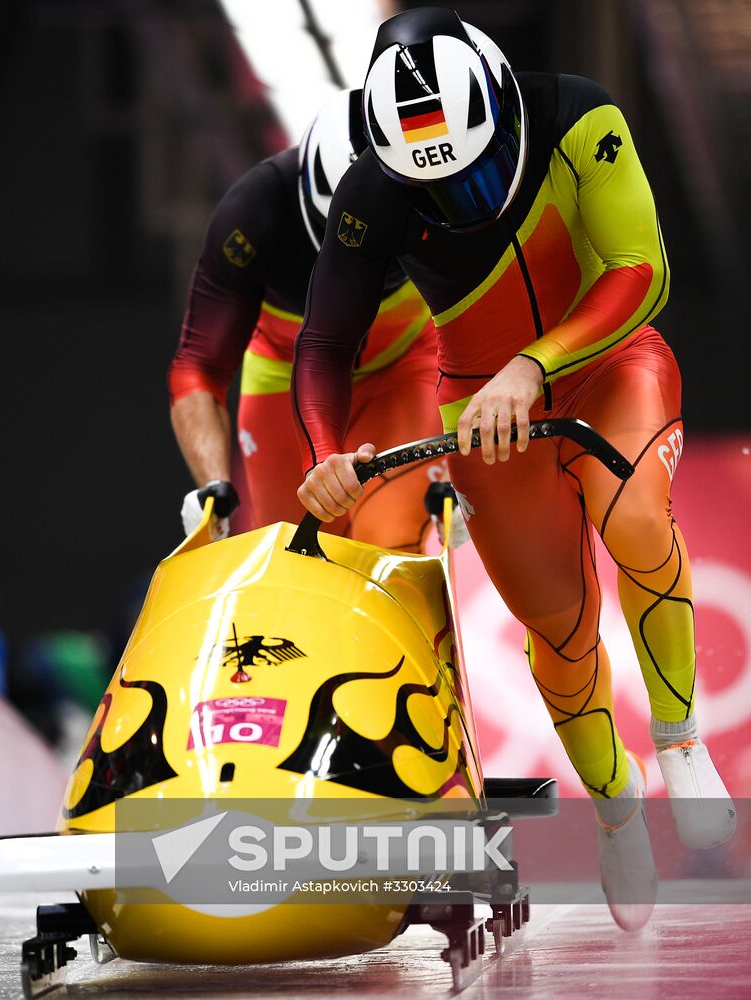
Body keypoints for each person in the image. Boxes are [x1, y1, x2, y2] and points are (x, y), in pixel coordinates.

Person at [292, 7, 735, 929]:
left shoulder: (581, 118)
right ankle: (616, 805)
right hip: (482, 408)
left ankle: (680, 732)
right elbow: (324, 344)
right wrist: (328, 451)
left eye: (479, 173)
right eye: (438, 192)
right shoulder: (372, 192)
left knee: (637, 520)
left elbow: (638, 267)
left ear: (502, 105)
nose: (464, 199)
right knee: (560, 629)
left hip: (609, 362)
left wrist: (532, 366)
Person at [169, 88, 458, 552]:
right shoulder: (252, 215)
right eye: (339, 232)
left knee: (389, 543)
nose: (350, 257)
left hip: (401, 369)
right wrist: (213, 483)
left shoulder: (439, 196)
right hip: (285, 378)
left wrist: (476, 473)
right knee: (290, 553)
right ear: (305, 191)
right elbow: (198, 368)